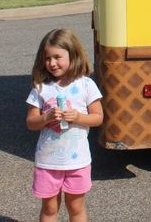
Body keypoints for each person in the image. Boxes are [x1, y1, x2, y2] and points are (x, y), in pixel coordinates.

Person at [26, 29, 103, 222]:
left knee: (76, 207)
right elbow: (30, 122)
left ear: (73, 54)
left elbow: (98, 118)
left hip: (77, 161)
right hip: (47, 161)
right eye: (47, 58)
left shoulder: (86, 85)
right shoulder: (41, 88)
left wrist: (77, 117)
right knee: (50, 208)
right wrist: (46, 118)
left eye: (57, 57)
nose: (51, 63)